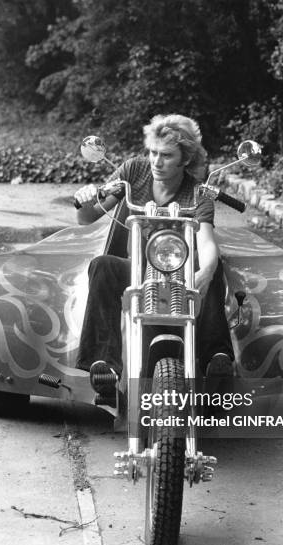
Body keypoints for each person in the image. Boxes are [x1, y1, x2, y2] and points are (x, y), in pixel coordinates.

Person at [74, 113, 234, 401]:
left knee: (213, 266)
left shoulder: (198, 193)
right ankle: (105, 368)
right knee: (102, 266)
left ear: (185, 159)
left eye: (167, 155)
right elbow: (88, 217)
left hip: (179, 271)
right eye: (153, 152)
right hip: (136, 268)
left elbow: (207, 241)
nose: (156, 161)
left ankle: (216, 359)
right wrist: (86, 199)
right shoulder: (133, 171)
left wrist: (206, 272)